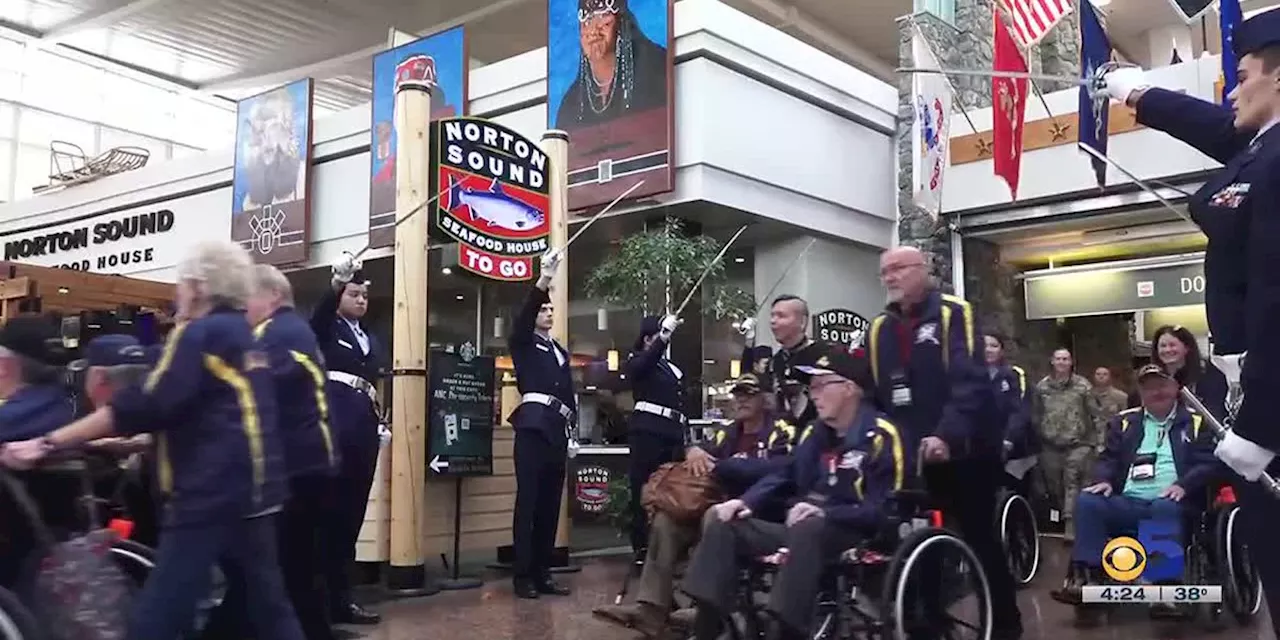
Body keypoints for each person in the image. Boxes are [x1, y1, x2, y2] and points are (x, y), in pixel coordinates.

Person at [0, 239, 303, 640]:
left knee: (160, 613)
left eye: (181, 284)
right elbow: (211, 415)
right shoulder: (246, 339)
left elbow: (143, 405)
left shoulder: (198, 335)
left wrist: (46, 443)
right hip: (259, 490)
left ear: (197, 286)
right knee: (270, 610)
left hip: (206, 492)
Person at [1100, 10, 1280, 630]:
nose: (1233, 88)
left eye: (1246, 74)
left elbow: (1278, 296)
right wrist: (1132, 90)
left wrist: (1259, 426)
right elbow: (1210, 123)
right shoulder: (1263, 145)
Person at [681, 346, 906, 640]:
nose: (813, 393)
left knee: (808, 526)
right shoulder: (815, 433)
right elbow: (786, 474)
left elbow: (886, 510)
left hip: (855, 530)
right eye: (811, 386)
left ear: (849, 388)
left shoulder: (881, 434)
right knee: (725, 523)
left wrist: (826, 513)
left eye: (821, 385)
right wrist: (745, 502)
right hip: (804, 530)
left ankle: (784, 631)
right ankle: (706, 627)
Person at [865, 246, 1021, 640]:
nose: (890, 277)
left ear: (924, 270)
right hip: (912, 456)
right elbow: (875, 391)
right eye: (885, 272)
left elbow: (968, 382)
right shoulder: (880, 328)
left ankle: (1004, 624)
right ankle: (926, 621)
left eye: (899, 269)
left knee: (979, 536)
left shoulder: (954, 314)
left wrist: (946, 434)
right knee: (917, 539)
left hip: (965, 450)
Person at [592, 373, 797, 637]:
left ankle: (701, 607)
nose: (741, 399)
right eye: (738, 394)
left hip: (760, 513)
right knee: (667, 520)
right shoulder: (728, 432)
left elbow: (780, 470)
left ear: (765, 398)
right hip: (717, 505)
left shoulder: (782, 430)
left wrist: (727, 466)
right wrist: (694, 451)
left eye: (749, 393)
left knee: (714, 516)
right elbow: (701, 451)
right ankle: (651, 609)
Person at [1051, 365, 1220, 618]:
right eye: (1149, 387)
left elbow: (1207, 462)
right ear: (1140, 392)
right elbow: (1108, 458)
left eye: (1162, 385)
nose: (1156, 392)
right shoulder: (1125, 422)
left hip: (1175, 504)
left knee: (1162, 506)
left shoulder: (1197, 422)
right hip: (1129, 502)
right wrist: (1105, 479)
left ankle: (1163, 587)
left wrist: (1182, 485)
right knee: (1088, 501)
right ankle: (1088, 578)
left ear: (1175, 388)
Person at [246, 264, 340, 640]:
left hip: (295, 466)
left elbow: (251, 387)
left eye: (247, 298)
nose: (244, 308)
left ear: (271, 295)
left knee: (287, 567)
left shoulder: (275, 333)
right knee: (302, 566)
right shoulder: (296, 330)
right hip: (315, 461)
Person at [310, 251, 383, 626]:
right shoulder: (328, 327)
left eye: (364, 295)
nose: (361, 299)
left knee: (352, 516)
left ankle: (343, 598)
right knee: (330, 516)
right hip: (336, 426)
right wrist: (336, 281)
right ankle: (321, 601)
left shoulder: (369, 336)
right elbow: (318, 316)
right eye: (353, 293)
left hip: (364, 430)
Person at [508, 251, 574, 599]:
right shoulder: (524, 343)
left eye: (551, 309)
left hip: (557, 430)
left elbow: (569, 392)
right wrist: (543, 280)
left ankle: (542, 571)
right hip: (533, 427)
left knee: (550, 504)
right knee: (530, 502)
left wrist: (572, 427)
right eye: (543, 309)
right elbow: (520, 320)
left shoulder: (559, 349)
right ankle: (522, 576)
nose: (549, 312)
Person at [623, 314, 686, 557]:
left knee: (671, 490)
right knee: (644, 488)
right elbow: (643, 365)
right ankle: (642, 547)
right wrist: (661, 339)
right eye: (659, 335)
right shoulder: (639, 360)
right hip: (648, 431)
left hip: (671, 431)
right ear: (648, 338)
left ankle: (667, 547)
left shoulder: (667, 367)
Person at [554, 0, 669, 129]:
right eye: (586, 20)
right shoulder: (571, 104)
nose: (593, 30)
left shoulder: (656, 69)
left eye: (604, 18)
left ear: (621, 22)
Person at [1034, 347, 1102, 540]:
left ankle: (1071, 526)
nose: (1062, 362)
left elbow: (1096, 415)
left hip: (1078, 443)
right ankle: (1061, 518)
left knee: (1072, 483)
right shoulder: (1042, 388)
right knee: (1055, 486)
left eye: (1066, 359)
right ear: (1052, 361)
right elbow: (1036, 414)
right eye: (1058, 359)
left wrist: (1099, 443)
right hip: (1050, 445)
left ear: (1071, 362)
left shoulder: (1083, 386)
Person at [738, 295, 830, 425]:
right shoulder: (775, 363)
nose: (773, 321)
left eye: (781, 316)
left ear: (802, 322)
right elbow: (750, 381)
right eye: (772, 316)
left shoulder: (825, 356)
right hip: (783, 438)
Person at [1144, 325, 1228, 421]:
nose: (1167, 350)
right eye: (1163, 346)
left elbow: (1214, 411)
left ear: (1187, 348)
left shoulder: (1208, 375)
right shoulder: (1151, 378)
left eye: (1172, 345)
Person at [983, 333, 1038, 461]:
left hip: (1015, 447)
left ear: (1001, 351)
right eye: (984, 346)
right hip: (983, 448)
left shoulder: (1015, 374)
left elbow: (1021, 410)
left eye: (994, 346)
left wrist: (1009, 438)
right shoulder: (971, 376)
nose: (988, 350)